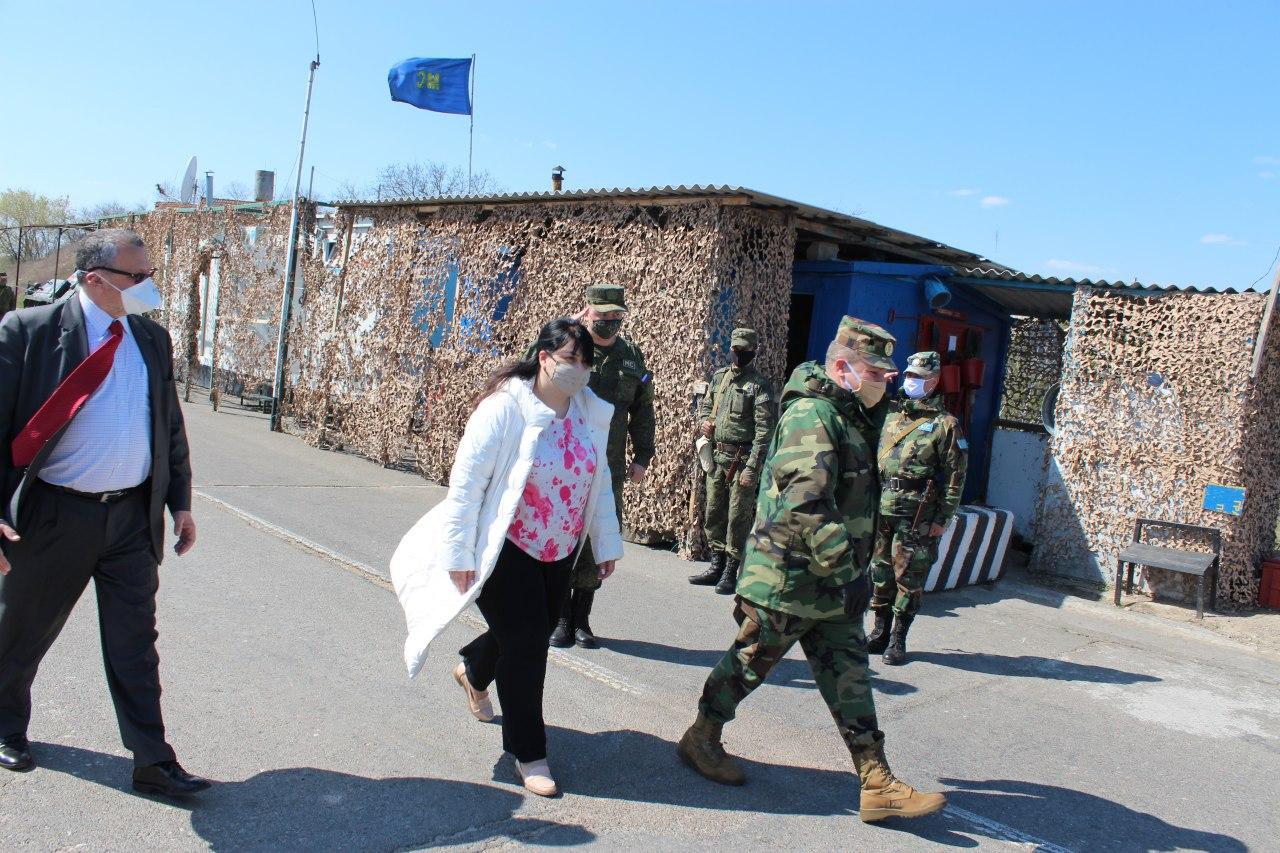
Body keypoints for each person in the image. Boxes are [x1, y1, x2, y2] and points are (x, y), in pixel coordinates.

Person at [676, 317, 946, 824]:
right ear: (843, 368)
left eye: (887, 373)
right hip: (790, 578)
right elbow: (806, 503)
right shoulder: (812, 415)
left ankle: (876, 779)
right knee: (750, 664)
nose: (885, 381)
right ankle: (701, 736)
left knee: (850, 675)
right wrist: (850, 570)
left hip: (832, 581)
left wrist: (849, 571)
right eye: (874, 372)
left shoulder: (852, 413)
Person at [0, 229, 207, 797]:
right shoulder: (30, 331)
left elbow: (168, 424)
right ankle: (6, 725)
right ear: (94, 279)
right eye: (137, 276)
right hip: (53, 516)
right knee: (21, 631)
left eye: (150, 274)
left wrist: (180, 501)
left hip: (130, 520)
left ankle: (152, 759)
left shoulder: (151, 338)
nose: (149, 285)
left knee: (135, 642)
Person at [389, 318, 623, 798]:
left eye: (585, 362)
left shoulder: (587, 412)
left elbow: (597, 483)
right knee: (528, 647)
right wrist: (458, 552)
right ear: (544, 357)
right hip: (505, 546)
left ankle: (475, 669)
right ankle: (528, 752)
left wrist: (606, 544)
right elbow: (466, 485)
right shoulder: (505, 409)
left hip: (559, 548)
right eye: (569, 359)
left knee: (532, 630)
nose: (578, 370)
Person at [549, 284, 654, 649]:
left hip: (609, 465)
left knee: (598, 539)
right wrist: (566, 326)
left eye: (616, 315)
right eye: (603, 314)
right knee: (566, 532)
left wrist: (642, 455)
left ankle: (582, 618)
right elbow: (534, 367)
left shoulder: (631, 357)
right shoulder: (572, 348)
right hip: (568, 461)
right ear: (587, 311)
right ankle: (560, 617)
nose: (610, 321)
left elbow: (643, 409)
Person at [867, 351, 968, 666]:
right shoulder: (891, 414)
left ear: (933, 381)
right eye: (909, 375)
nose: (911, 381)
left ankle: (898, 639)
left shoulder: (945, 424)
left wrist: (943, 518)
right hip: (883, 506)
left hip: (917, 514)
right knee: (880, 570)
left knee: (909, 576)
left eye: (919, 377)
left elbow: (956, 476)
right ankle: (879, 631)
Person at [688, 328, 775, 594]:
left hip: (742, 459)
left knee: (738, 515)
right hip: (718, 456)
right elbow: (706, 406)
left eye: (744, 351)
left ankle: (730, 570)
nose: (739, 354)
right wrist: (704, 421)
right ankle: (716, 565)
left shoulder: (758, 385)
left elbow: (764, 430)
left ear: (754, 352)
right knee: (713, 511)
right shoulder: (720, 377)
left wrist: (753, 467)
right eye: (736, 350)